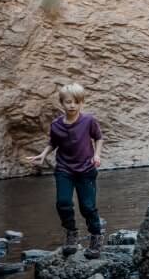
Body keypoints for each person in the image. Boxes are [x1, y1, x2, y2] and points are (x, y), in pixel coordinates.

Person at [25, 83, 105, 258]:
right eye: (68, 102)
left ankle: (96, 238)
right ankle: (71, 234)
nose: (72, 106)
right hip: (64, 169)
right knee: (63, 203)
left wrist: (97, 155)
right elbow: (54, 142)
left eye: (77, 102)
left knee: (88, 207)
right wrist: (43, 154)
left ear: (81, 103)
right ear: (62, 103)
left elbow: (98, 138)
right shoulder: (56, 125)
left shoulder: (89, 121)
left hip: (86, 169)